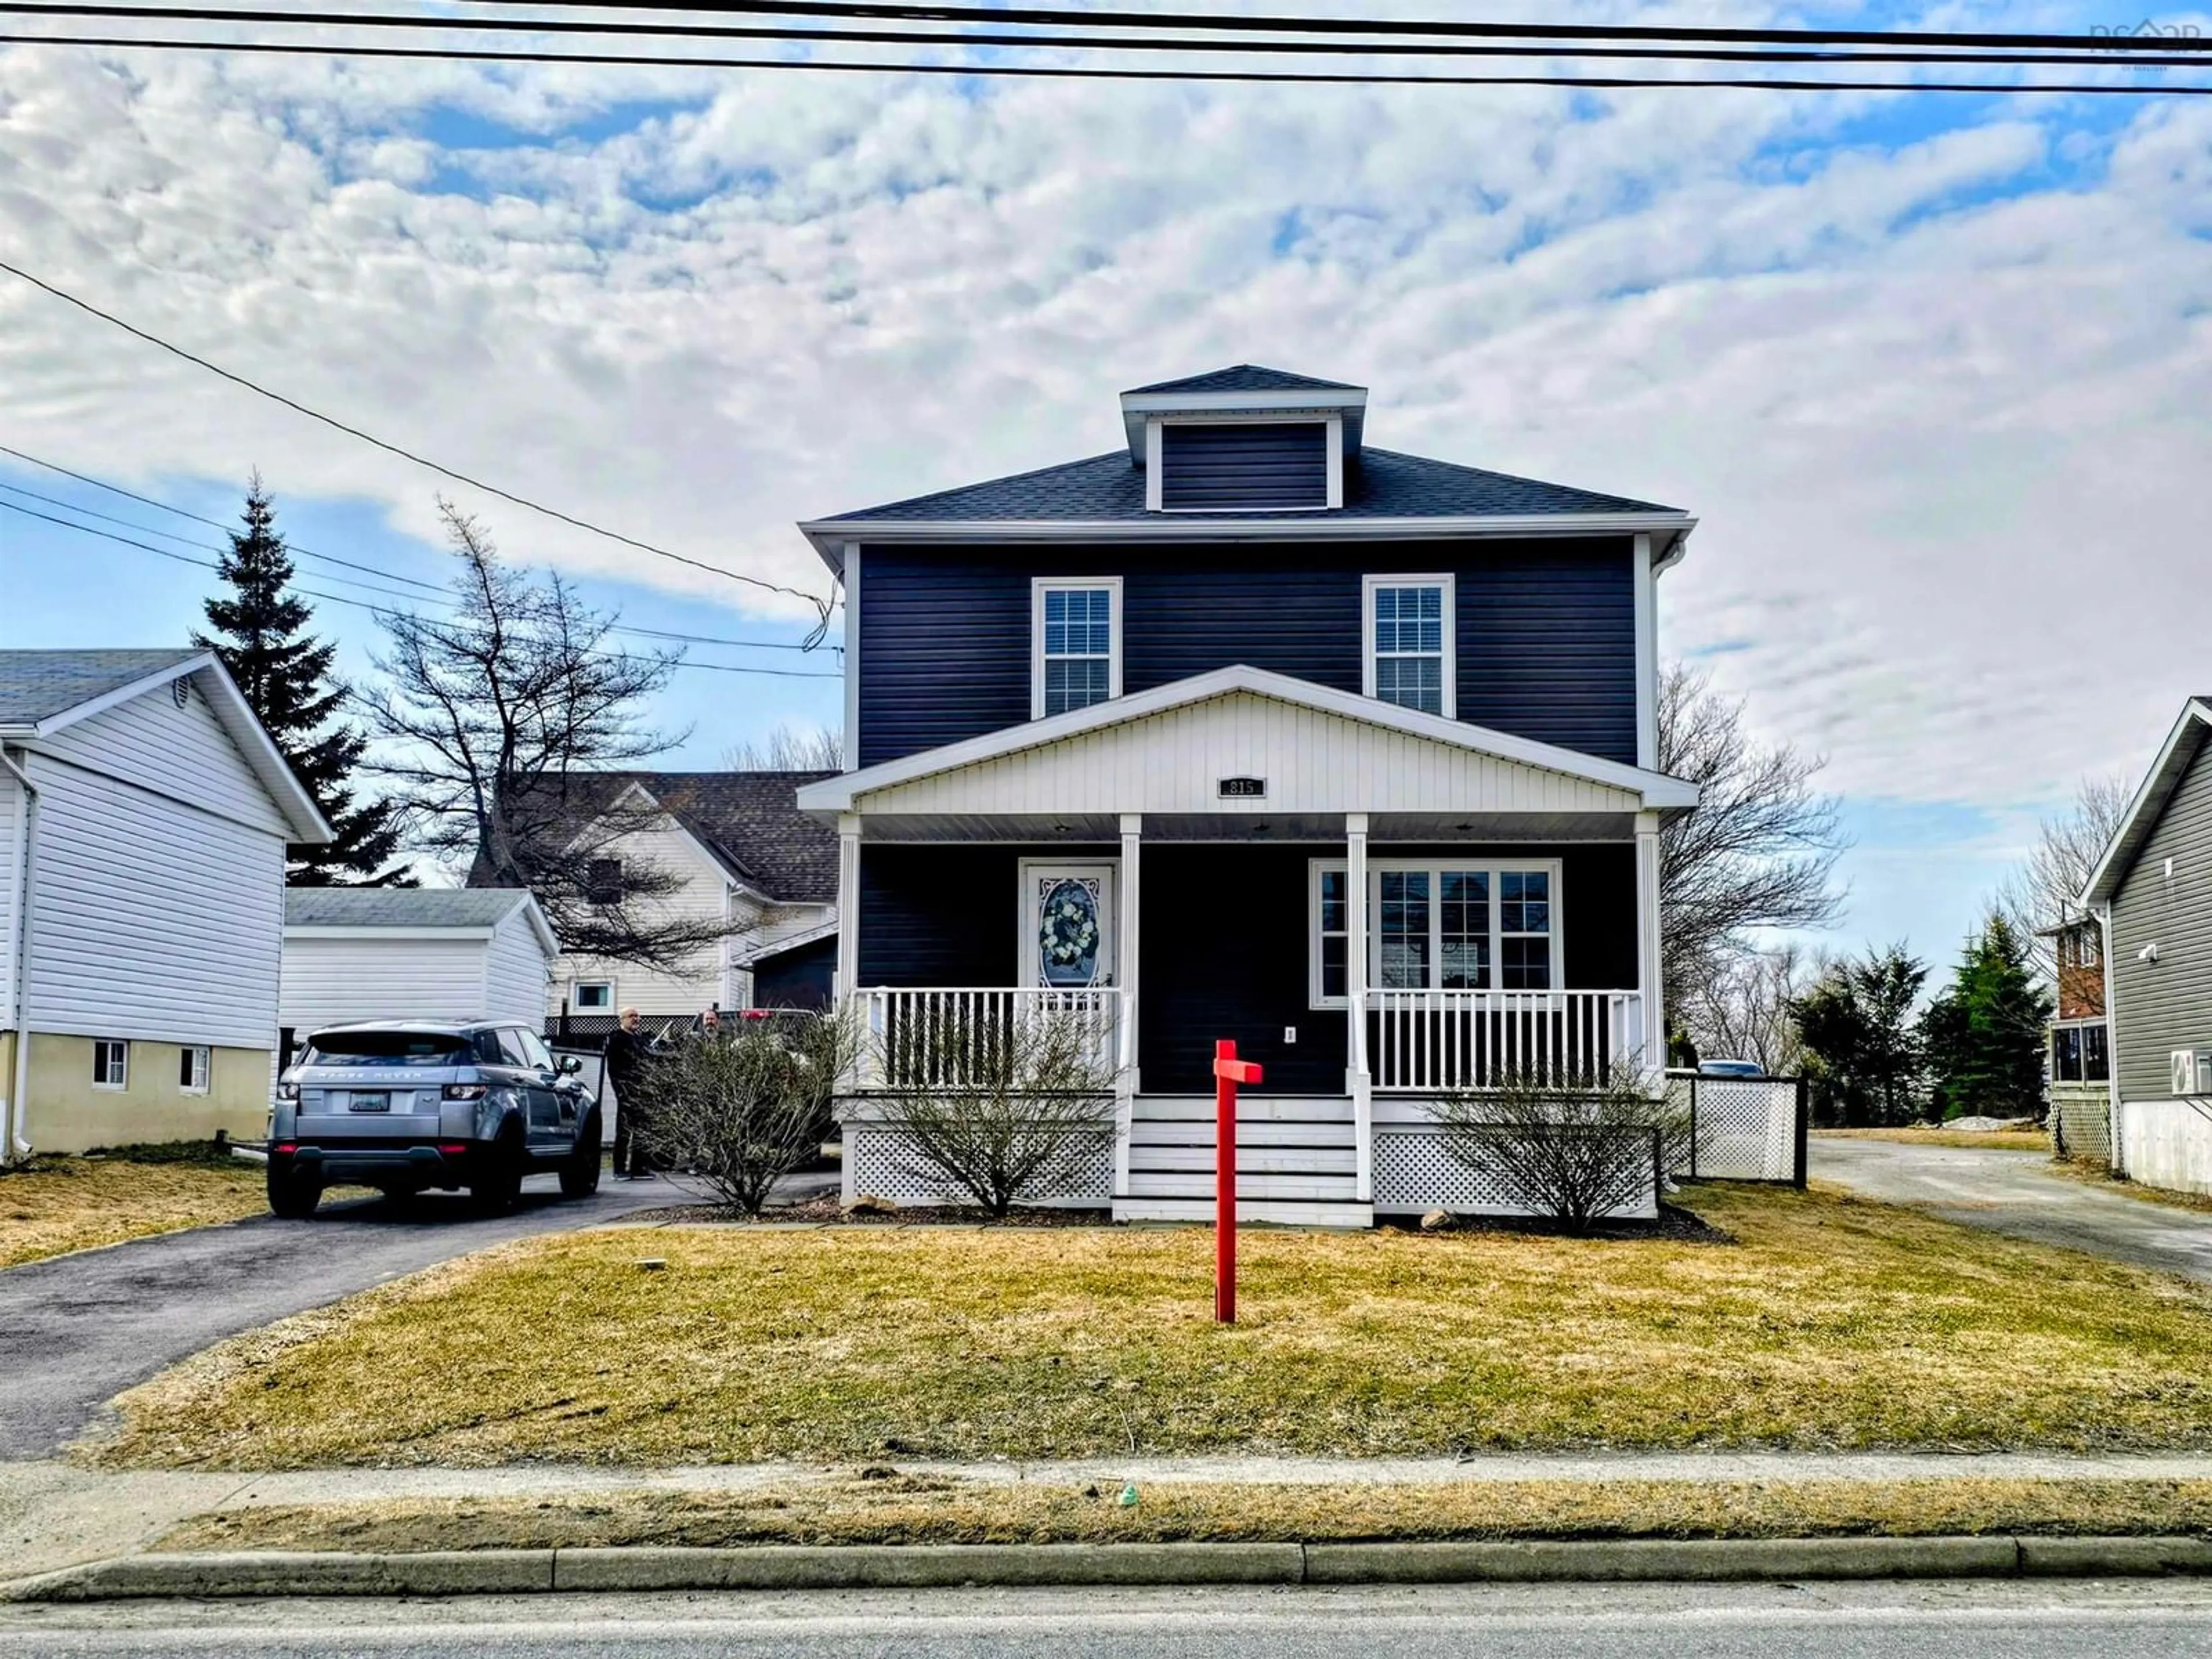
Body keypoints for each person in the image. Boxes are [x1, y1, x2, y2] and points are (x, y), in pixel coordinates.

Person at [604, 1006, 654, 1179]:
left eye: (637, 1016)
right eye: (631, 1016)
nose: (635, 1019)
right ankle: (619, 1169)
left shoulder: (639, 1040)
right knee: (624, 1132)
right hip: (626, 1092)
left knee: (642, 1130)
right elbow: (614, 1069)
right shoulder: (617, 1040)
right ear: (623, 1019)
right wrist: (621, 1091)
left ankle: (638, 1168)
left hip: (642, 1092)